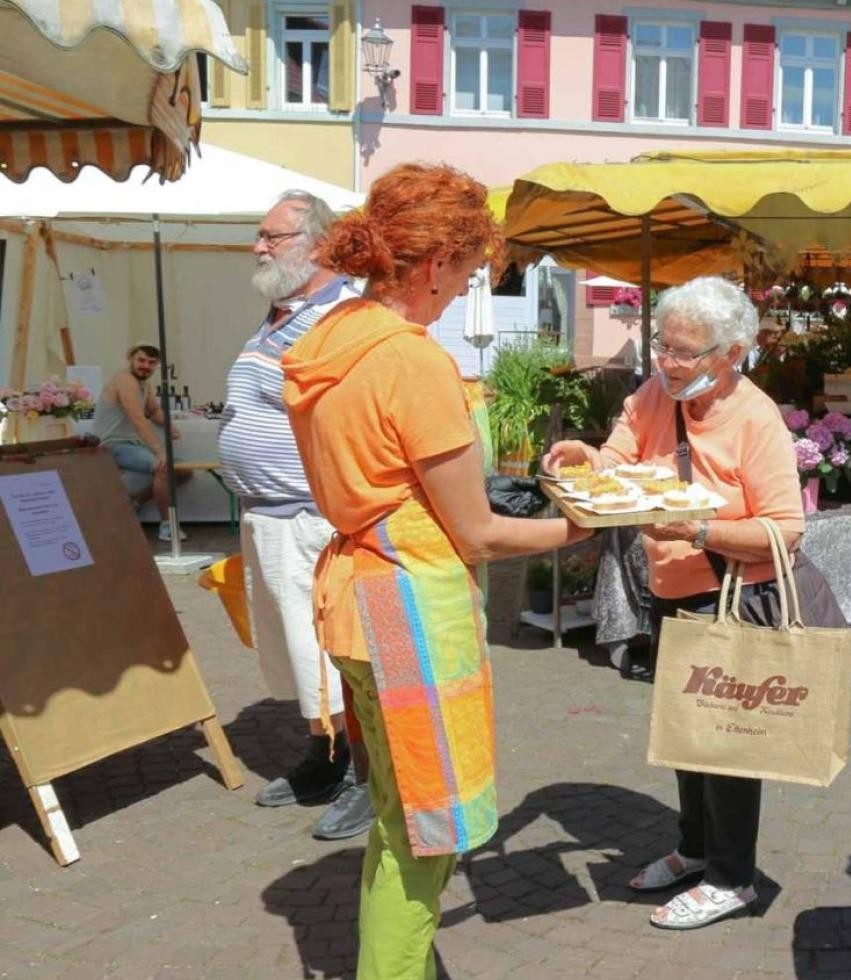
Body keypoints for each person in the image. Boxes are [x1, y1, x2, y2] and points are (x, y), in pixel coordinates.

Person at [283, 162, 591, 979]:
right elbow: (479, 532)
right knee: (431, 830)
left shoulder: (325, 339)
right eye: (466, 269)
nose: (467, 286)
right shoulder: (411, 360)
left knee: (395, 812)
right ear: (430, 264)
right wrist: (585, 524)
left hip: (356, 595)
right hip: (408, 606)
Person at [543, 275, 841, 931]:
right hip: (673, 589)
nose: (670, 364)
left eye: (686, 353)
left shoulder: (756, 418)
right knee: (686, 734)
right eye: (664, 347)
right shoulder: (659, 391)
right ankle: (696, 849)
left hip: (733, 594)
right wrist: (587, 457)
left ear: (732, 354)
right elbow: (624, 455)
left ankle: (732, 879)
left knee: (725, 744)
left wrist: (697, 529)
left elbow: (786, 529)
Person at [217, 190, 372, 839]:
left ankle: (367, 777)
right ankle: (325, 757)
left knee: (339, 655)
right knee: (300, 655)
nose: (258, 247)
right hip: (270, 518)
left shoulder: (340, 319)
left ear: (319, 245)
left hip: (313, 520)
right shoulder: (282, 313)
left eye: (272, 237)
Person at [96, 345, 191, 539]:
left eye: (151, 362)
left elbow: (153, 411)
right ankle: (167, 526)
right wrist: (159, 451)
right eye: (141, 360)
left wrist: (169, 426)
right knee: (163, 467)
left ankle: (134, 502)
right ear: (130, 358)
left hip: (134, 444)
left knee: (184, 471)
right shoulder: (124, 380)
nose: (145, 366)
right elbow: (137, 417)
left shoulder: (143, 385)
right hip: (114, 445)